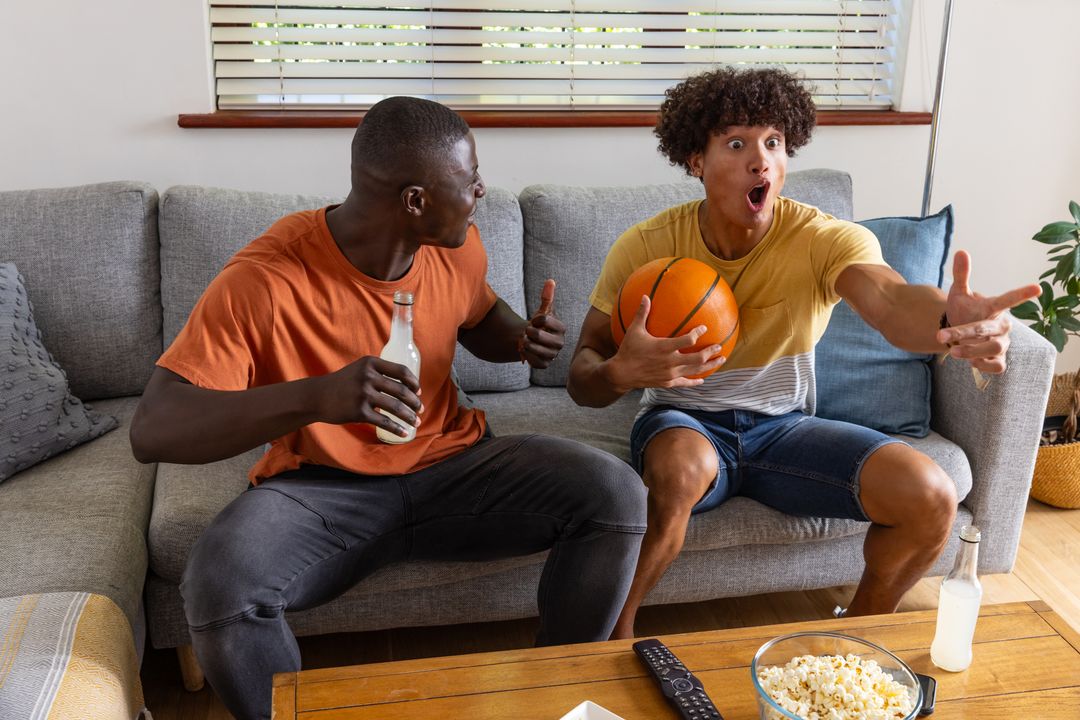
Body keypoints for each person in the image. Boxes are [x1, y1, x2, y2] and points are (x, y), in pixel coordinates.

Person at [129, 96, 646, 720]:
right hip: (323, 493)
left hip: (454, 467)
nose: (482, 188)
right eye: (469, 177)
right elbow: (154, 429)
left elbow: (477, 315)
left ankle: (557, 697)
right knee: (220, 587)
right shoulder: (265, 279)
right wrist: (317, 396)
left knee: (615, 492)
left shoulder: (455, 246)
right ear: (415, 201)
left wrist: (518, 340)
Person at [566, 67, 1040, 640]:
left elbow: (890, 302)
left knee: (932, 494)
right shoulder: (646, 247)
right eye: (736, 144)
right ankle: (608, 643)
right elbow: (582, 375)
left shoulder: (823, 239)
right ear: (695, 159)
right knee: (685, 468)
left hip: (784, 430)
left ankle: (852, 642)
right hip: (684, 423)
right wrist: (622, 370)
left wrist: (948, 319)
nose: (760, 160)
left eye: (773, 143)